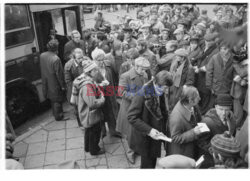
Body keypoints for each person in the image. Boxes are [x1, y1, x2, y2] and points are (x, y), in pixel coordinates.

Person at [127, 70, 173, 168]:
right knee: (147, 165)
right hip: (145, 137)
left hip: (155, 135)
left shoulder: (158, 89)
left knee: (152, 162)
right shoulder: (141, 94)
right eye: (164, 88)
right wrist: (150, 130)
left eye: (167, 88)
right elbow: (131, 117)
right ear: (156, 83)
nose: (166, 91)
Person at [117, 57, 150, 164]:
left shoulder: (144, 74)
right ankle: (130, 153)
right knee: (129, 133)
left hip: (140, 108)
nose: (145, 72)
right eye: (143, 69)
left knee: (139, 130)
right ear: (136, 66)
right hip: (129, 109)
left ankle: (137, 148)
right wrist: (138, 96)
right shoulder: (125, 76)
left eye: (146, 70)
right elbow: (121, 93)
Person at [70, 61, 105, 155]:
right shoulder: (87, 86)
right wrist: (102, 99)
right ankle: (94, 150)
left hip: (85, 113)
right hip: (90, 114)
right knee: (95, 132)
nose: (97, 71)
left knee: (88, 131)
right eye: (95, 70)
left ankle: (87, 148)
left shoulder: (85, 79)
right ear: (90, 71)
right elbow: (92, 103)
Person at [197, 94, 237, 168]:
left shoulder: (232, 118)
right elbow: (200, 143)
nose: (224, 113)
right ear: (215, 107)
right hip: (210, 159)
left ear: (230, 108)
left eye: (227, 109)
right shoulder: (205, 121)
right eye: (221, 109)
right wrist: (215, 152)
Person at [92, 48, 122, 138]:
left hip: (110, 92)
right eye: (99, 60)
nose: (101, 62)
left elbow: (115, 77)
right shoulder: (92, 69)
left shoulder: (108, 64)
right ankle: (102, 132)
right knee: (101, 113)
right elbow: (89, 83)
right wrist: (99, 85)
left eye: (102, 59)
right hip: (99, 94)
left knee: (112, 112)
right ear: (94, 60)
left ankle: (113, 131)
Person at [168, 86, 202, 159]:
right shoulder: (176, 117)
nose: (200, 98)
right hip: (184, 153)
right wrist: (193, 132)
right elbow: (175, 138)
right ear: (190, 101)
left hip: (193, 147)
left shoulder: (193, 106)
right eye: (198, 97)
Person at [40, 39, 65, 121]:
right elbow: (59, 74)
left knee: (52, 98)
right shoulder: (56, 59)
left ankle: (55, 113)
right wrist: (63, 86)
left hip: (46, 80)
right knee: (57, 99)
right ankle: (59, 116)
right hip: (54, 82)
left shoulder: (42, 55)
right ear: (56, 48)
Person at [64, 48, 90, 127]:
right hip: (76, 89)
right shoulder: (68, 65)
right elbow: (68, 81)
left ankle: (88, 121)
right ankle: (81, 124)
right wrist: (79, 85)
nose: (81, 60)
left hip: (86, 87)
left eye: (82, 57)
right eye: (79, 58)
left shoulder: (87, 60)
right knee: (78, 108)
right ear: (74, 58)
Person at [206, 43, 235, 107]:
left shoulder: (233, 58)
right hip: (216, 87)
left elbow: (234, 74)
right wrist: (209, 86)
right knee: (215, 104)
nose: (223, 50)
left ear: (229, 49)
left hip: (227, 88)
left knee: (225, 105)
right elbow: (209, 72)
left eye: (225, 48)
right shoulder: (214, 58)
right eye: (221, 48)